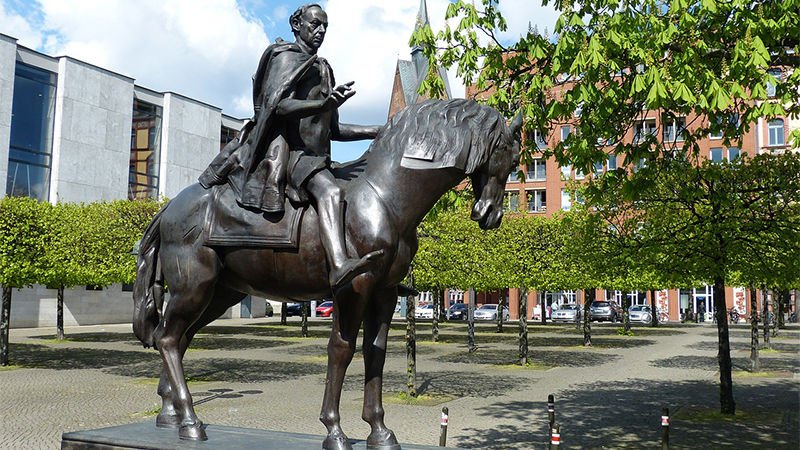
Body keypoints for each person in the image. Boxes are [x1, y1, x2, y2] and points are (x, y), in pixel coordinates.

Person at [199, 3, 382, 290]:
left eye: (325, 26)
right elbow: (278, 106)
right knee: (331, 192)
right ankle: (338, 265)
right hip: (295, 157)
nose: (321, 31)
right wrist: (322, 104)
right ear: (297, 25)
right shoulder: (285, 57)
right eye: (315, 24)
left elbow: (334, 130)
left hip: (318, 160)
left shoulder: (323, 68)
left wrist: (378, 130)